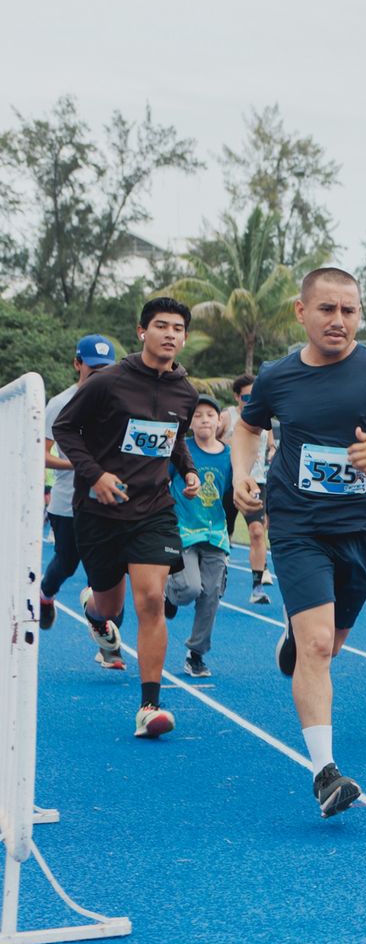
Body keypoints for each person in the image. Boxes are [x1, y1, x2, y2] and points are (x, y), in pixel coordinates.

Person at [233, 267, 366, 817]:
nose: (339, 320)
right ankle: (325, 773)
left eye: (349, 310)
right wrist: (242, 473)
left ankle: (298, 639)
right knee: (319, 646)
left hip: (360, 529)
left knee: (329, 644)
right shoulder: (278, 377)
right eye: (327, 309)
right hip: (297, 526)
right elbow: (248, 426)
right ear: (302, 312)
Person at [53, 298, 201, 737]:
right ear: (142, 332)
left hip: (153, 509)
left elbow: (173, 438)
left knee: (151, 599)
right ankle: (95, 611)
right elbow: (65, 429)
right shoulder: (109, 381)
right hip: (99, 510)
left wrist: (189, 470)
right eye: (161, 326)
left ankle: (149, 707)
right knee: (112, 606)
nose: (170, 334)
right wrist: (95, 475)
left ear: (184, 338)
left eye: (178, 328)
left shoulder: (186, 393)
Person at [38, 335, 117, 635]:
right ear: (77, 364)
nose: (99, 374)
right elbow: (42, 455)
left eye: (105, 368)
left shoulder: (117, 402)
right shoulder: (59, 404)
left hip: (107, 500)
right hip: (67, 500)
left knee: (105, 572)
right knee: (67, 563)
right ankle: (45, 595)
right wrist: (80, 464)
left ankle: (105, 639)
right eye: (93, 368)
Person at [165, 396, 231, 678]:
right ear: (190, 423)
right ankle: (170, 594)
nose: (205, 419)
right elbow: (160, 480)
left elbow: (233, 492)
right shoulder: (181, 450)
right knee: (191, 589)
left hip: (216, 534)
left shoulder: (230, 456)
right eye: (198, 415)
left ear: (219, 421)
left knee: (211, 595)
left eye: (210, 415)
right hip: (183, 531)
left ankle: (196, 653)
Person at [221, 373, 274, 603]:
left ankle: (257, 587)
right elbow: (209, 442)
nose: (250, 401)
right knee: (225, 532)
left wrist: (272, 454)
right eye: (246, 397)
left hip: (256, 481)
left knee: (257, 531)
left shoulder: (265, 419)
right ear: (236, 396)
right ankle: (219, 572)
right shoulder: (226, 416)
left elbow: (270, 446)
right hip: (228, 481)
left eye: (255, 396)